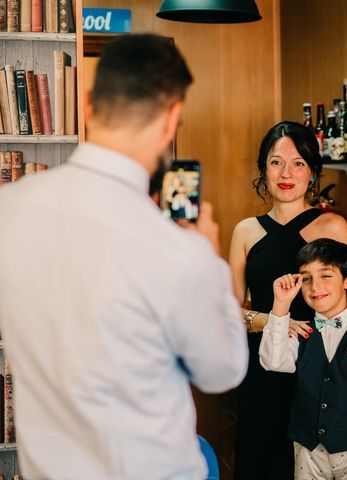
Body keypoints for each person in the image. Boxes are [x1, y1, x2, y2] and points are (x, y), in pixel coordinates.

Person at [0, 34, 248, 480]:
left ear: (90, 103)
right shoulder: (178, 251)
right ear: (172, 119)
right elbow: (221, 371)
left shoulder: (9, 210)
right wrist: (210, 258)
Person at [228, 121, 347, 480]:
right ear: (263, 168)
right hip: (263, 368)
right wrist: (271, 321)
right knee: (261, 463)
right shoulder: (245, 230)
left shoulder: (333, 225)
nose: (286, 173)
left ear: (311, 171)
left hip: (319, 368)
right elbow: (229, 311)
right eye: (276, 162)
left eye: (298, 163)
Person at [259, 238, 347, 480]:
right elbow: (272, 361)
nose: (315, 287)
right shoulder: (301, 331)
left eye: (326, 276)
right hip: (308, 451)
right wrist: (280, 306)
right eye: (306, 278)